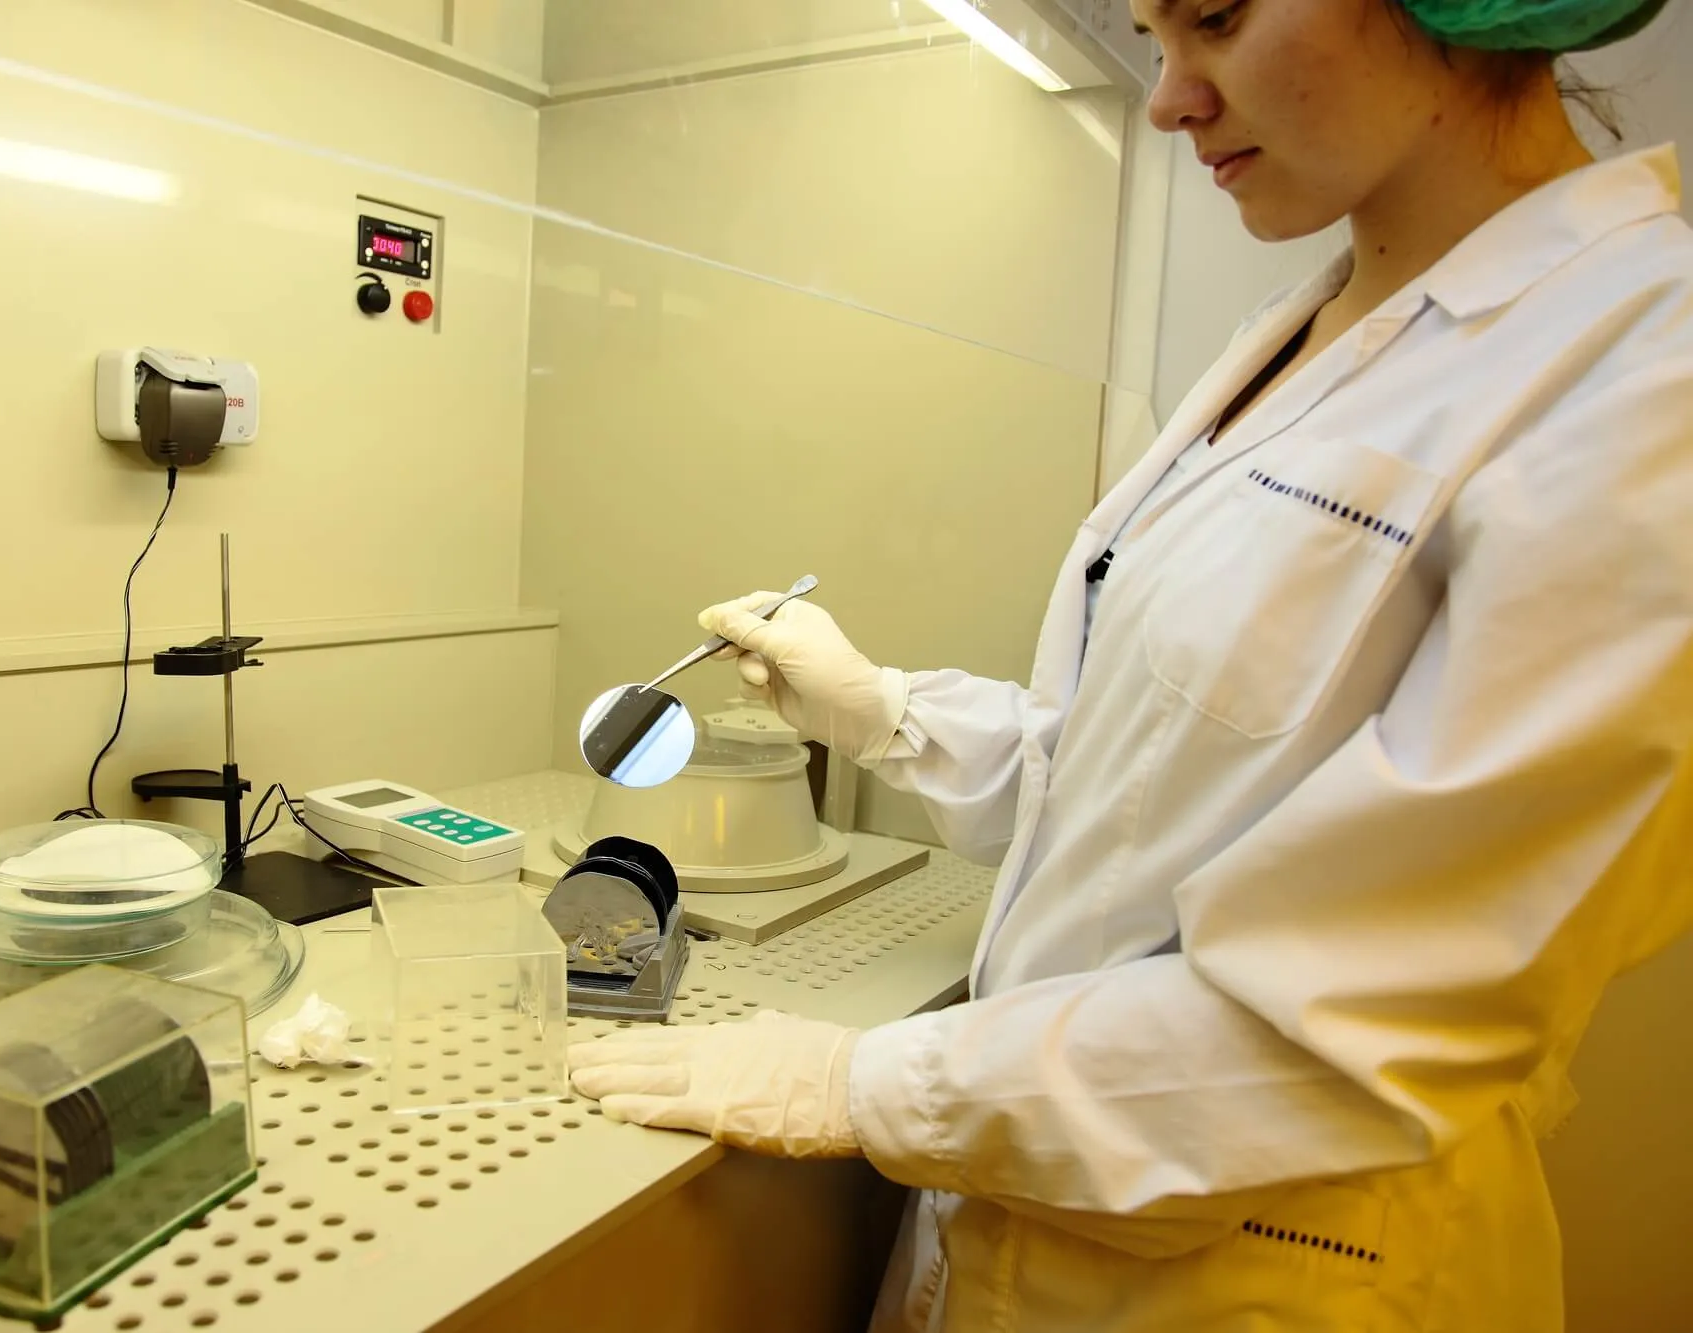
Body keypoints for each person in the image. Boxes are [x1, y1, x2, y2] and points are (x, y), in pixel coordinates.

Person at [567, 0, 1693, 1327]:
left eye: (1213, 18)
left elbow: (1352, 1027)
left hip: (1269, 1266)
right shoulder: (1307, 324)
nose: (1168, 101)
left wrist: (860, 1086)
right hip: (1033, 1209)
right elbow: (1142, 792)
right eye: (1156, 37)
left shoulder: (1642, 376)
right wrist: (889, 715)